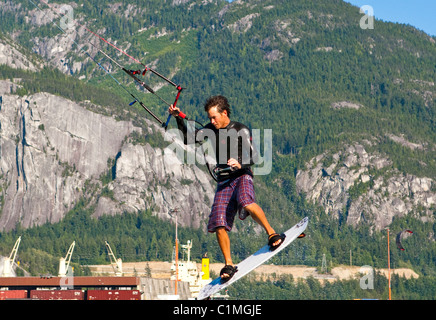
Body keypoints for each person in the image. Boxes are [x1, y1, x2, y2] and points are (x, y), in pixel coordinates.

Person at [168, 95, 284, 282]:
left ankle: (271, 233)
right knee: (218, 223)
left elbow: (255, 157)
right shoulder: (211, 129)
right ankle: (229, 264)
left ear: (224, 113)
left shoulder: (240, 130)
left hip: (241, 175)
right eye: (209, 118)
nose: (212, 122)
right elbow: (190, 139)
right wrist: (177, 117)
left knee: (246, 202)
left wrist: (240, 163)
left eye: (214, 117)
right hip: (223, 181)